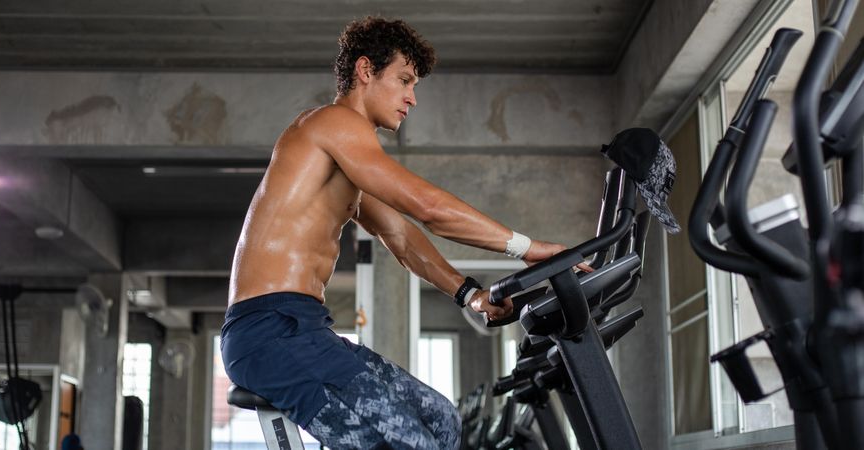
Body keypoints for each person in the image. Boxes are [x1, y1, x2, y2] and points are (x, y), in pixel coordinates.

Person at [221, 16, 589, 449]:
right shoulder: (333, 124)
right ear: (364, 71)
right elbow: (427, 208)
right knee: (414, 444)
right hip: (270, 332)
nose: (412, 98)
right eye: (404, 80)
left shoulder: (347, 160)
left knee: (442, 422)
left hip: (303, 329)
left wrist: (470, 294)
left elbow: (400, 235)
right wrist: (526, 248)